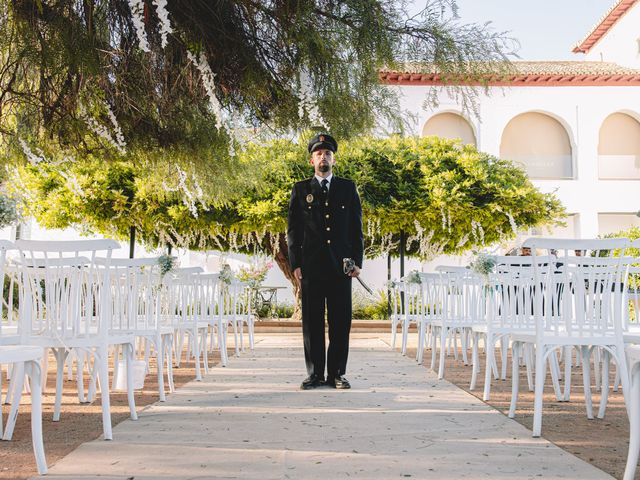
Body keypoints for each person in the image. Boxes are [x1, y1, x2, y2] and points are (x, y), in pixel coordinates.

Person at [287, 133, 364, 390]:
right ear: (312, 160)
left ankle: (337, 374)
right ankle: (315, 374)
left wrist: (357, 262)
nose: (324, 157)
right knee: (312, 322)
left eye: (328, 154)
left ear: (333, 159)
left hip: (341, 267)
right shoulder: (300, 190)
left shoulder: (347, 187)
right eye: (319, 154)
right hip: (311, 267)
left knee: (341, 322)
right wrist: (295, 263)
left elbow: (356, 228)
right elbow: (293, 231)